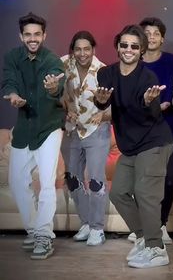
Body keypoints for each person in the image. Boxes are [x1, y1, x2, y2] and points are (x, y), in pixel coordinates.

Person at [94, 24, 173, 269]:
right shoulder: (106, 74)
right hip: (130, 145)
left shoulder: (147, 77)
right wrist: (100, 100)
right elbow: (102, 102)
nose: (129, 50)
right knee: (118, 193)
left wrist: (149, 101)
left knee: (146, 193)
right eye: (125, 45)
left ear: (141, 51)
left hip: (154, 141)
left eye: (135, 46)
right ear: (118, 47)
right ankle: (143, 238)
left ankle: (157, 248)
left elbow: (150, 114)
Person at [1, 12, 65, 260]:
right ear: (21, 36)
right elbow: (8, 81)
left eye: (37, 34)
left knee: (46, 183)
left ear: (44, 35)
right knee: (17, 182)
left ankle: (44, 234)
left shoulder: (52, 60)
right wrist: (13, 95)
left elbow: (57, 86)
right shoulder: (12, 57)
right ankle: (33, 229)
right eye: (28, 34)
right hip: (25, 126)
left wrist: (52, 88)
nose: (32, 38)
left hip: (49, 126)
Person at [131, 16, 173, 245]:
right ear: (141, 38)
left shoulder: (172, 61)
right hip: (142, 132)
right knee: (144, 182)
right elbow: (130, 97)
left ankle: (161, 226)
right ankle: (143, 227)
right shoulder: (134, 62)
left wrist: (163, 105)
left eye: (156, 33)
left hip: (170, 128)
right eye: (147, 33)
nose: (151, 37)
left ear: (162, 39)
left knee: (169, 179)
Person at [61, 31, 111, 246]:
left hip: (96, 130)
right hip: (72, 130)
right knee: (72, 180)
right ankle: (86, 223)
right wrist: (66, 110)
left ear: (93, 49)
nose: (82, 53)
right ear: (73, 50)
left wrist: (104, 114)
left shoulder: (104, 71)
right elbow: (57, 95)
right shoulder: (63, 65)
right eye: (78, 49)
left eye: (87, 49)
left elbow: (116, 106)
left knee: (96, 181)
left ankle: (97, 229)